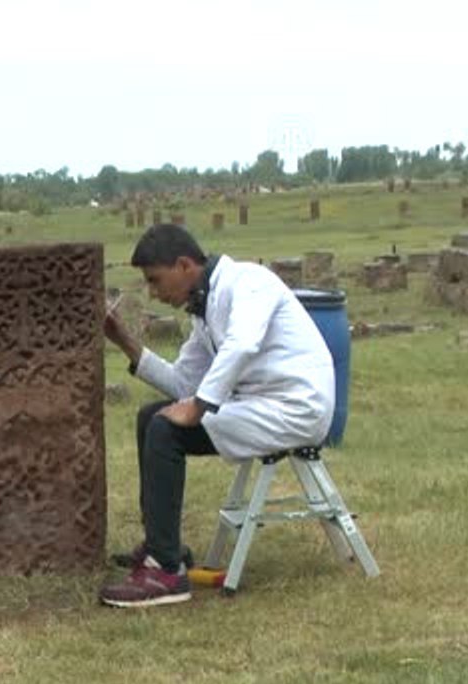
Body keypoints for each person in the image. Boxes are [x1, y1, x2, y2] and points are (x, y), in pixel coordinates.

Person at [99, 224, 335, 608]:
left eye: (156, 281)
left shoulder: (249, 282)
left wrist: (200, 404)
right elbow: (181, 382)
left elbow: (242, 343)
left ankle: (165, 573)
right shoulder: (205, 312)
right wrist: (123, 338)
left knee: (164, 429)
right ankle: (165, 546)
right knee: (150, 417)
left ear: (184, 265)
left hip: (295, 409)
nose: (154, 293)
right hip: (262, 407)